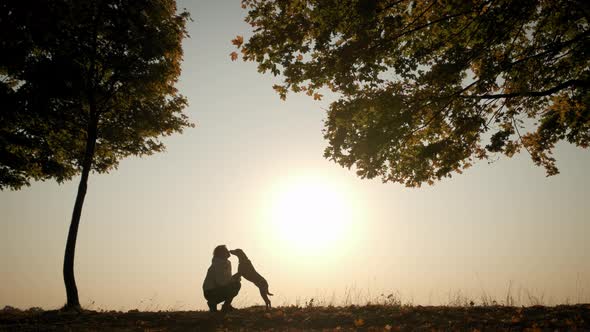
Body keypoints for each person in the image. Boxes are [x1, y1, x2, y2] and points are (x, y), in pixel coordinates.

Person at [202, 245, 241, 312]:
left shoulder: (227, 263)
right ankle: (214, 303)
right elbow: (221, 282)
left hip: (216, 290)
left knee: (235, 284)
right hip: (210, 292)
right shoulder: (218, 265)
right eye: (226, 250)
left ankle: (225, 306)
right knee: (235, 285)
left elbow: (227, 279)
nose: (228, 251)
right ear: (221, 253)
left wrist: (235, 278)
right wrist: (235, 277)